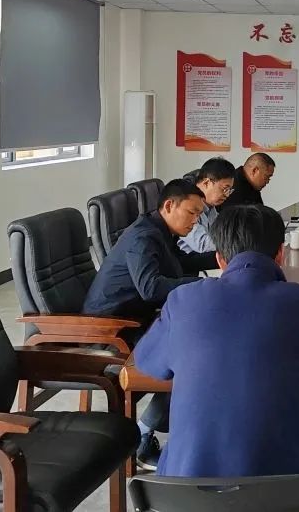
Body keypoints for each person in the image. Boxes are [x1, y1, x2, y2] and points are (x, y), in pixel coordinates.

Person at [133, 204, 299, 512]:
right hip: (284, 498)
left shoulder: (183, 300)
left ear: (220, 259)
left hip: (181, 499)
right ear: (280, 254)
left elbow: (146, 361)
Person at [82, 179, 217, 469]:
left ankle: (177, 429)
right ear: (169, 206)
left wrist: (226, 257)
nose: (196, 221)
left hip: (137, 317)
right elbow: (150, 287)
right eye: (192, 213)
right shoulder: (143, 236)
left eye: (199, 214)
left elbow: (181, 263)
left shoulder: (161, 230)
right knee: (191, 358)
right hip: (112, 327)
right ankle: (142, 435)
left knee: (203, 344)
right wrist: (202, 284)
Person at [178, 157, 237, 254]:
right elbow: (203, 244)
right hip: (186, 258)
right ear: (206, 183)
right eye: (225, 189)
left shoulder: (211, 208)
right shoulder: (186, 203)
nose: (227, 195)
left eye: (229, 191)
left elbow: (220, 234)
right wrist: (236, 242)